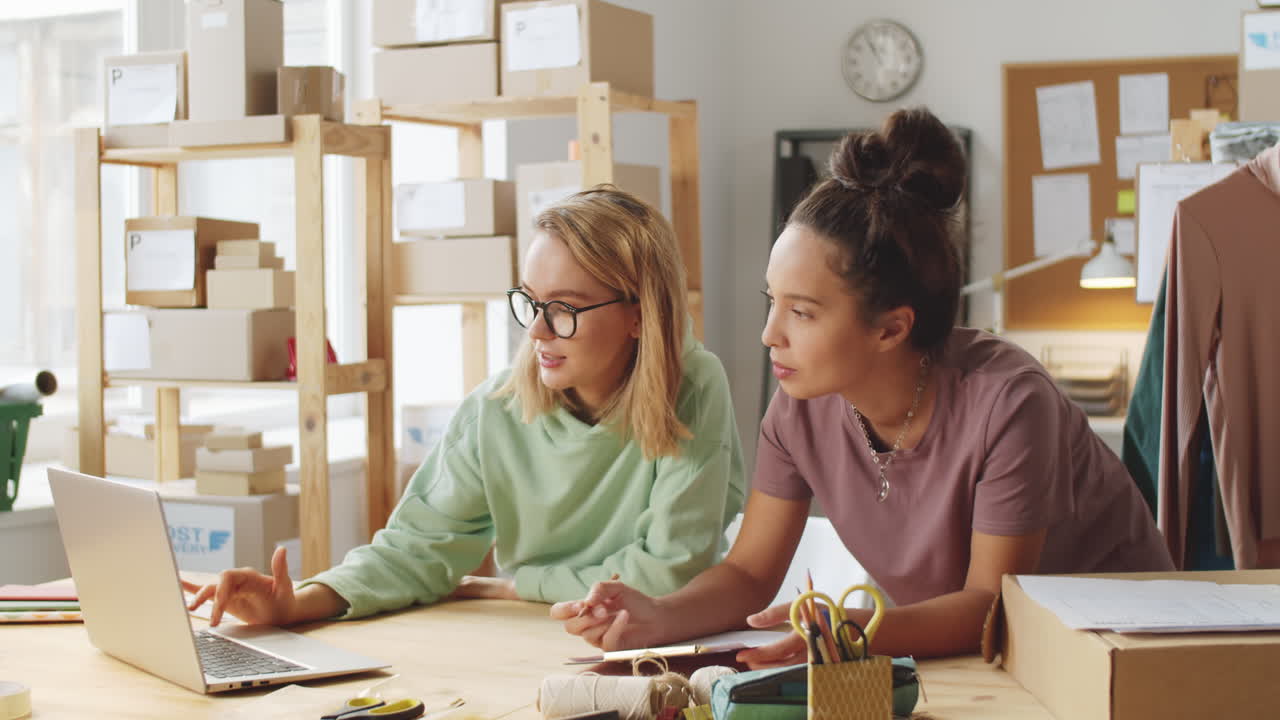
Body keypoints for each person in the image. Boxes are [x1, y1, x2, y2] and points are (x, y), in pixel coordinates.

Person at [552, 108, 1174, 663]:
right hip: (984, 658)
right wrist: (657, 614)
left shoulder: (1010, 403)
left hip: (1124, 650)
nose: (769, 334)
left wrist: (854, 633)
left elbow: (990, 605)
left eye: (802, 312)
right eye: (772, 301)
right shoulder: (798, 408)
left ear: (891, 328)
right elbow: (748, 572)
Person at [186, 187, 746, 626]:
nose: (538, 331)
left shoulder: (694, 387)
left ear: (640, 315)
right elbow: (415, 551)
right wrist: (296, 603)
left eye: (565, 309)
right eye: (529, 302)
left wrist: (515, 586)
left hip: (654, 645)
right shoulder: (495, 408)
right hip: (530, 635)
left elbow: (671, 573)